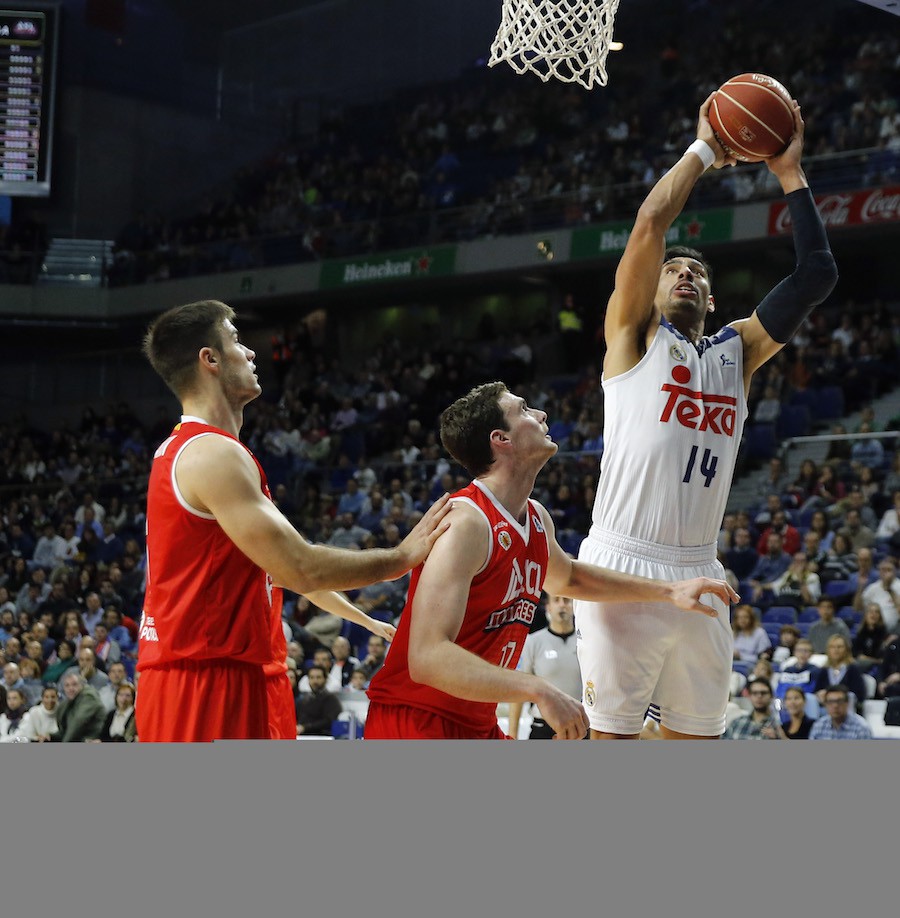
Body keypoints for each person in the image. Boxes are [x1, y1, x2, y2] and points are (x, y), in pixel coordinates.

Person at [574, 94, 836, 739]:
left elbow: (816, 273)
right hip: (622, 565)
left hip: (699, 569)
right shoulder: (633, 337)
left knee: (697, 742)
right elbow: (649, 223)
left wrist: (789, 174)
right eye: (673, 270)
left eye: (695, 271)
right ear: (656, 290)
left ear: (713, 297)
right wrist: (706, 149)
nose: (683, 273)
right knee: (610, 740)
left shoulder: (737, 351)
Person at [136, 300, 451, 742]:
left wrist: (362, 618)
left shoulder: (200, 450)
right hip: (205, 678)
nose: (251, 353)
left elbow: (278, 571)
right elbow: (300, 568)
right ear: (209, 359)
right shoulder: (211, 454)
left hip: (237, 669)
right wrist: (401, 557)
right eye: (236, 341)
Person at [365, 382, 736, 740]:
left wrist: (669, 590)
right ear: (501, 439)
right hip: (415, 720)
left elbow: (569, 578)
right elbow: (427, 656)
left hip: (474, 722)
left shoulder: (536, 518)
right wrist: (538, 689)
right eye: (524, 409)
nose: (541, 414)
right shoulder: (467, 523)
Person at [507, 593, 581, 739]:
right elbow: (518, 690)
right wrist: (512, 734)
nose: (562, 605)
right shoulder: (533, 642)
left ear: (574, 606)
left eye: (566, 600)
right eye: (556, 600)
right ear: (548, 606)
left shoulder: (585, 643)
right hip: (543, 728)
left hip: (579, 727)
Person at [811, 634, 868, 711]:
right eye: (832, 647)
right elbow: (816, 690)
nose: (836, 650)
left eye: (839, 647)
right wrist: (820, 694)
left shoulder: (853, 669)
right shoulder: (824, 670)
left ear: (846, 650)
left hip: (846, 708)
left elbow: (859, 694)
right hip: (825, 707)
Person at [51, 670, 106, 742]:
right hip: (77, 738)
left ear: (82, 685)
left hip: (91, 739)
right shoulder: (68, 702)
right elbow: (65, 730)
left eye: (74, 684)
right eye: (67, 685)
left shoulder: (89, 696)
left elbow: (78, 722)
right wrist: (50, 736)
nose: (70, 688)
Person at [808, 683, 873, 739]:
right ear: (825, 704)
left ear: (847, 703)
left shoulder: (861, 727)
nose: (835, 705)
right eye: (831, 702)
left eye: (839, 701)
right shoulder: (819, 725)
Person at [295, 665, 343, 737]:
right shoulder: (303, 700)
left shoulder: (331, 699)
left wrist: (305, 727)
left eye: (318, 677)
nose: (315, 681)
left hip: (322, 736)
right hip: (301, 736)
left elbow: (328, 721)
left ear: (325, 679)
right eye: (312, 677)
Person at [852, 602, 889, 675]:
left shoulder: (884, 633)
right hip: (862, 663)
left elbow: (882, 657)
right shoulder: (861, 632)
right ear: (865, 615)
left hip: (876, 665)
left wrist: (869, 659)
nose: (874, 614)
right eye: (871, 611)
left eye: (876, 612)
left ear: (880, 616)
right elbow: (855, 652)